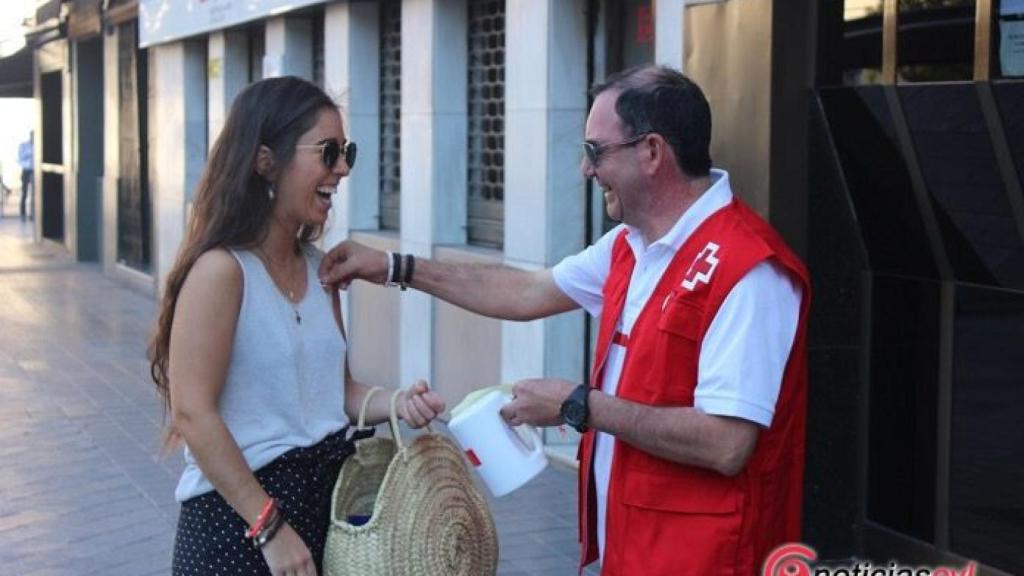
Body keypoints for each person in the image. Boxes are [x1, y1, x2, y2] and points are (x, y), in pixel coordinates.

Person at [318, 65, 810, 575]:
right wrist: (395, 267)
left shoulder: (748, 271)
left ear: (652, 152)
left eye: (596, 151)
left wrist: (578, 405)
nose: (585, 169)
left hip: (711, 559)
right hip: (640, 550)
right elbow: (526, 291)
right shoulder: (631, 246)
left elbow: (726, 442)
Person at [148, 76, 445, 576]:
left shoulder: (319, 269)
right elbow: (193, 412)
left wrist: (398, 402)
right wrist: (268, 526)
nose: (342, 169)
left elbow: (336, 392)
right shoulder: (222, 271)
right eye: (328, 152)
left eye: (347, 152)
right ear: (266, 161)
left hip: (320, 511)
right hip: (239, 522)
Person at [18, 132, 33, 221]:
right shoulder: (24, 146)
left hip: (34, 171)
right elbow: (20, 159)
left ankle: (33, 213)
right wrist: (28, 156)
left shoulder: (38, 146)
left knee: (35, 194)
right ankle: (23, 213)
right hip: (26, 170)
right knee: (24, 192)